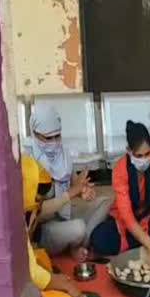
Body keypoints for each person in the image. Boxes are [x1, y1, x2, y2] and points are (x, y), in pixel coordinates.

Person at [28, 102, 112, 260]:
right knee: (78, 228)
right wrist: (72, 192)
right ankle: (76, 243)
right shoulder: (29, 160)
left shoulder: (64, 153)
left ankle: (75, 244)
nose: (54, 142)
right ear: (35, 133)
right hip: (44, 227)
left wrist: (85, 192)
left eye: (57, 135)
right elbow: (38, 213)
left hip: (66, 216)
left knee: (105, 202)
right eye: (48, 138)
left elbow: (75, 184)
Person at [22, 155, 98, 297]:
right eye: (37, 200)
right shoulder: (13, 217)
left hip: (32, 264)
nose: (38, 205)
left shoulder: (25, 206)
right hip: (11, 291)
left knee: (43, 261)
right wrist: (58, 283)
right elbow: (29, 272)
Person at [90, 121, 150, 262]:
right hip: (124, 223)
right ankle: (142, 244)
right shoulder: (119, 169)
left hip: (149, 218)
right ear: (129, 151)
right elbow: (126, 215)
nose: (144, 159)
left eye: (147, 154)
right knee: (100, 238)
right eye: (138, 156)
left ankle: (137, 246)